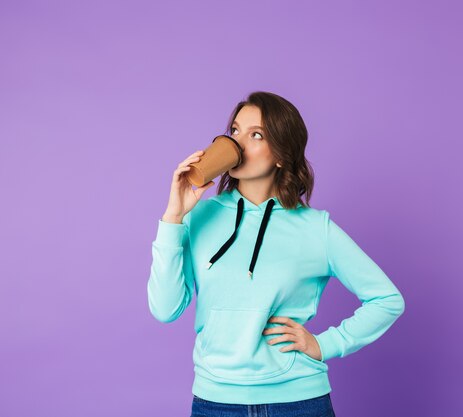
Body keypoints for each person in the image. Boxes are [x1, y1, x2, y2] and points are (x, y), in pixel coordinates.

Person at [147, 91, 405, 417]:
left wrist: (326, 344)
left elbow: (387, 299)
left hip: (299, 402)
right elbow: (165, 309)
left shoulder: (315, 228)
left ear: (282, 155)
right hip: (215, 402)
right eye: (235, 131)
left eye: (256, 135)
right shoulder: (198, 216)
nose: (238, 144)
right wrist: (173, 217)